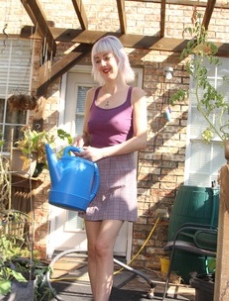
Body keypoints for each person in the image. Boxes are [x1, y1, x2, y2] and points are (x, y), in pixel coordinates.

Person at [73, 35, 148, 301]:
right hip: (92, 177)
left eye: (107, 57)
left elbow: (142, 138)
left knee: (104, 245)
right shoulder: (92, 94)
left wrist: (103, 151)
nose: (103, 63)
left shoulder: (134, 95)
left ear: (118, 58)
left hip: (120, 177)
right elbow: (86, 132)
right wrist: (81, 140)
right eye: (97, 59)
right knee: (93, 249)